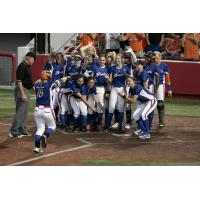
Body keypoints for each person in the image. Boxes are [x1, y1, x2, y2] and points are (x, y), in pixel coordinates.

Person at [33, 71, 67, 153]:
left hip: (37, 110)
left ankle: (36, 147)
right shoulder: (50, 84)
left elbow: (37, 82)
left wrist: (41, 77)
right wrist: (68, 77)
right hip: (47, 110)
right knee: (52, 127)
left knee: (40, 128)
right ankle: (45, 136)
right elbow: (63, 80)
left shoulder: (36, 85)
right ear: (49, 77)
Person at [9, 52, 36, 138]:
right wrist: (22, 94)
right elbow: (19, 81)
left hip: (26, 90)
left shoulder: (26, 66)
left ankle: (23, 130)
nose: (33, 62)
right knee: (20, 112)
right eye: (33, 60)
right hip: (22, 90)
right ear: (29, 59)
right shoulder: (22, 67)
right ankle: (14, 132)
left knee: (24, 112)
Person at [104, 53, 130, 133]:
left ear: (122, 59)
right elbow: (110, 81)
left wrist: (126, 76)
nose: (117, 60)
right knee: (111, 107)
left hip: (122, 89)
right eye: (117, 58)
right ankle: (107, 126)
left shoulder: (126, 68)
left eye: (119, 58)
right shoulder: (112, 68)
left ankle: (120, 125)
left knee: (120, 108)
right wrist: (108, 79)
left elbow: (129, 80)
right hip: (114, 88)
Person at [152, 51, 172, 128]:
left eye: (157, 57)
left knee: (160, 104)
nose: (156, 59)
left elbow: (167, 78)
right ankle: (148, 121)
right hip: (151, 85)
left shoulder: (164, 66)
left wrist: (169, 89)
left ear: (160, 57)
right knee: (150, 102)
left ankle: (161, 121)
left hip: (160, 85)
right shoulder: (151, 65)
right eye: (155, 57)